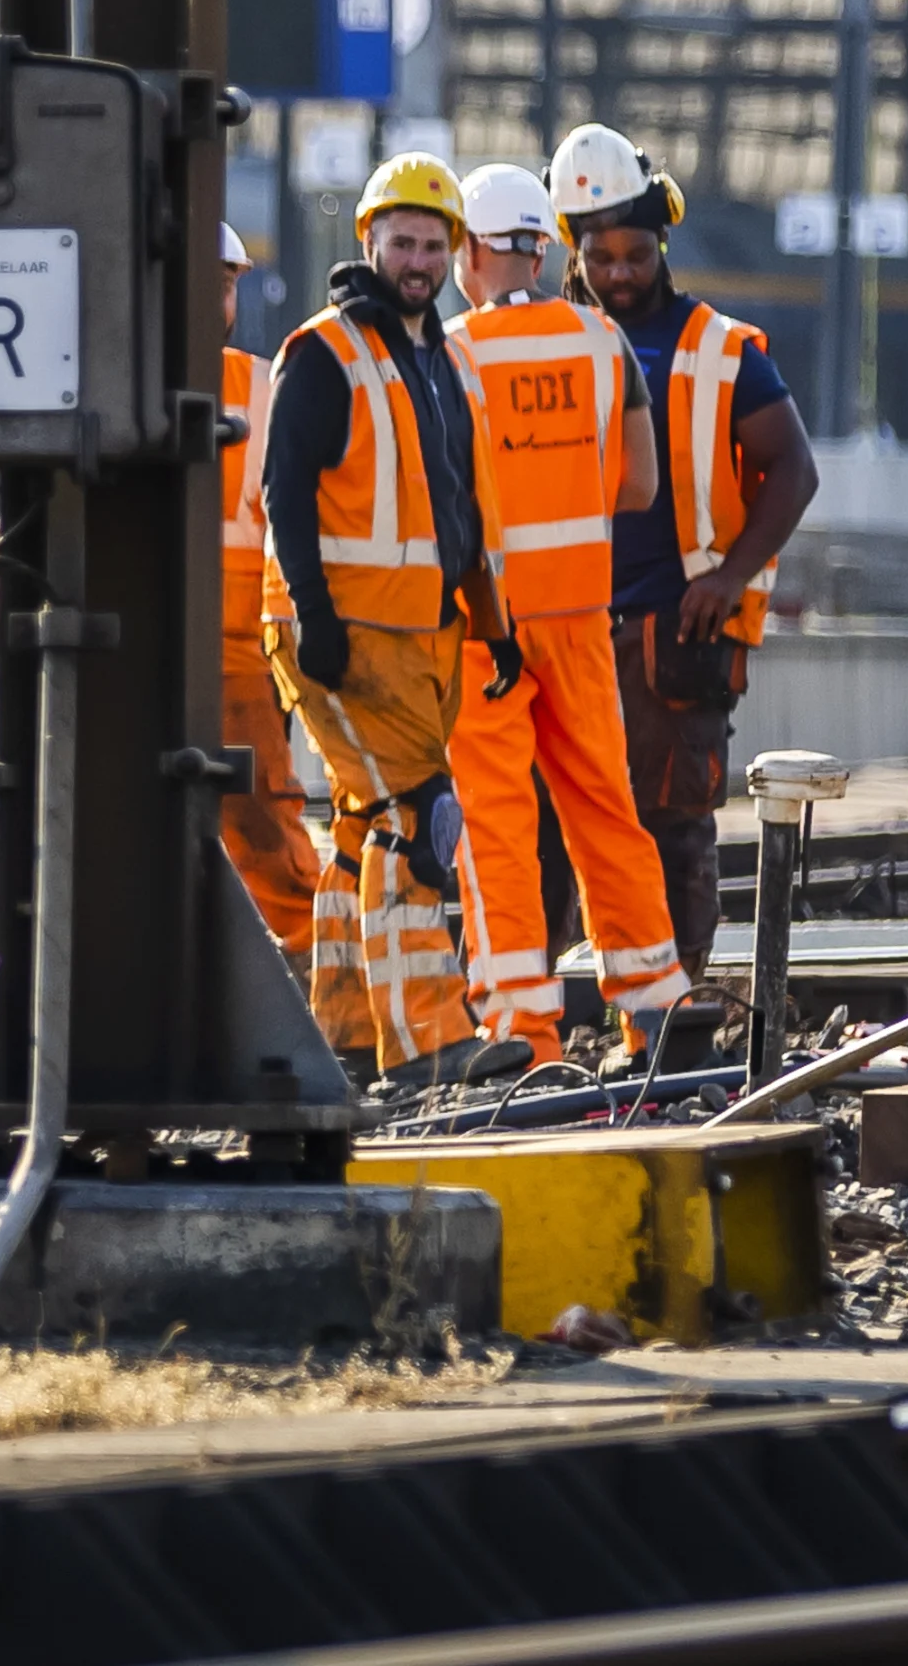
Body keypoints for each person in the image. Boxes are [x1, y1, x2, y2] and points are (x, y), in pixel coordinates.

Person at [260, 152, 529, 1090]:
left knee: (359, 825)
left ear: (452, 251)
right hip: (345, 634)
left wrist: (495, 626)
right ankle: (431, 1038)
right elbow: (282, 492)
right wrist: (315, 616)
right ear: (368, 241)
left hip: (418, 637)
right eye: (400, 240)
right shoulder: (325, 352)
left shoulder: (441, 360)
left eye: (431, 243)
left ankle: (346, 1032)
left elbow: (461, 509)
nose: (415, 258)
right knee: (422, 815)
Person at [550, 122, 822, 984]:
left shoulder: (720, 349)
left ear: (661, 243)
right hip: (568, 622)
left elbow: (794, 468)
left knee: (672, 819)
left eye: (634, 254)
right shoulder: (551, 343)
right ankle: (570, 993)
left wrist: (732, 575)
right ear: (575, 252)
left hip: (676, 627)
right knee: (559, 820)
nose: (619, 274)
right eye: (602, 258)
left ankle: (680, 998)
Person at [438, 162, 689, 1063]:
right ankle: (654, 1007)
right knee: (604, 808)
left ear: (470, 250)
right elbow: (639, 485)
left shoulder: (453, 354)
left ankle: (522, 1029)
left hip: (484, 627)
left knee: (498, 823)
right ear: (545, 248)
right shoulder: (603, 343)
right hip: (583, 616)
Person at [214, 221, 316, 971]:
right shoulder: (115, 387)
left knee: (265, 827)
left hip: (246, 653)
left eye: (225, 282)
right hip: (147, 642)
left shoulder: (260, 387)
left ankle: (316, 971)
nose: (215, 297)